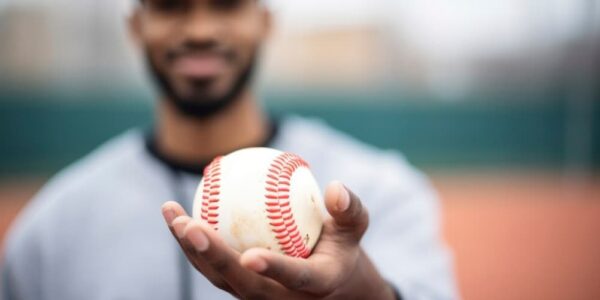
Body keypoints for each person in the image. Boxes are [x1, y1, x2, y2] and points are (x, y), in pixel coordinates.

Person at [1, 0, 458, 299]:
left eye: (227, 3)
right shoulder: (54, 226)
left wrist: (364, 293)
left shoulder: (379, 190)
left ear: (264, 20)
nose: (200, 29)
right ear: (137, 26)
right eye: (170, 5)